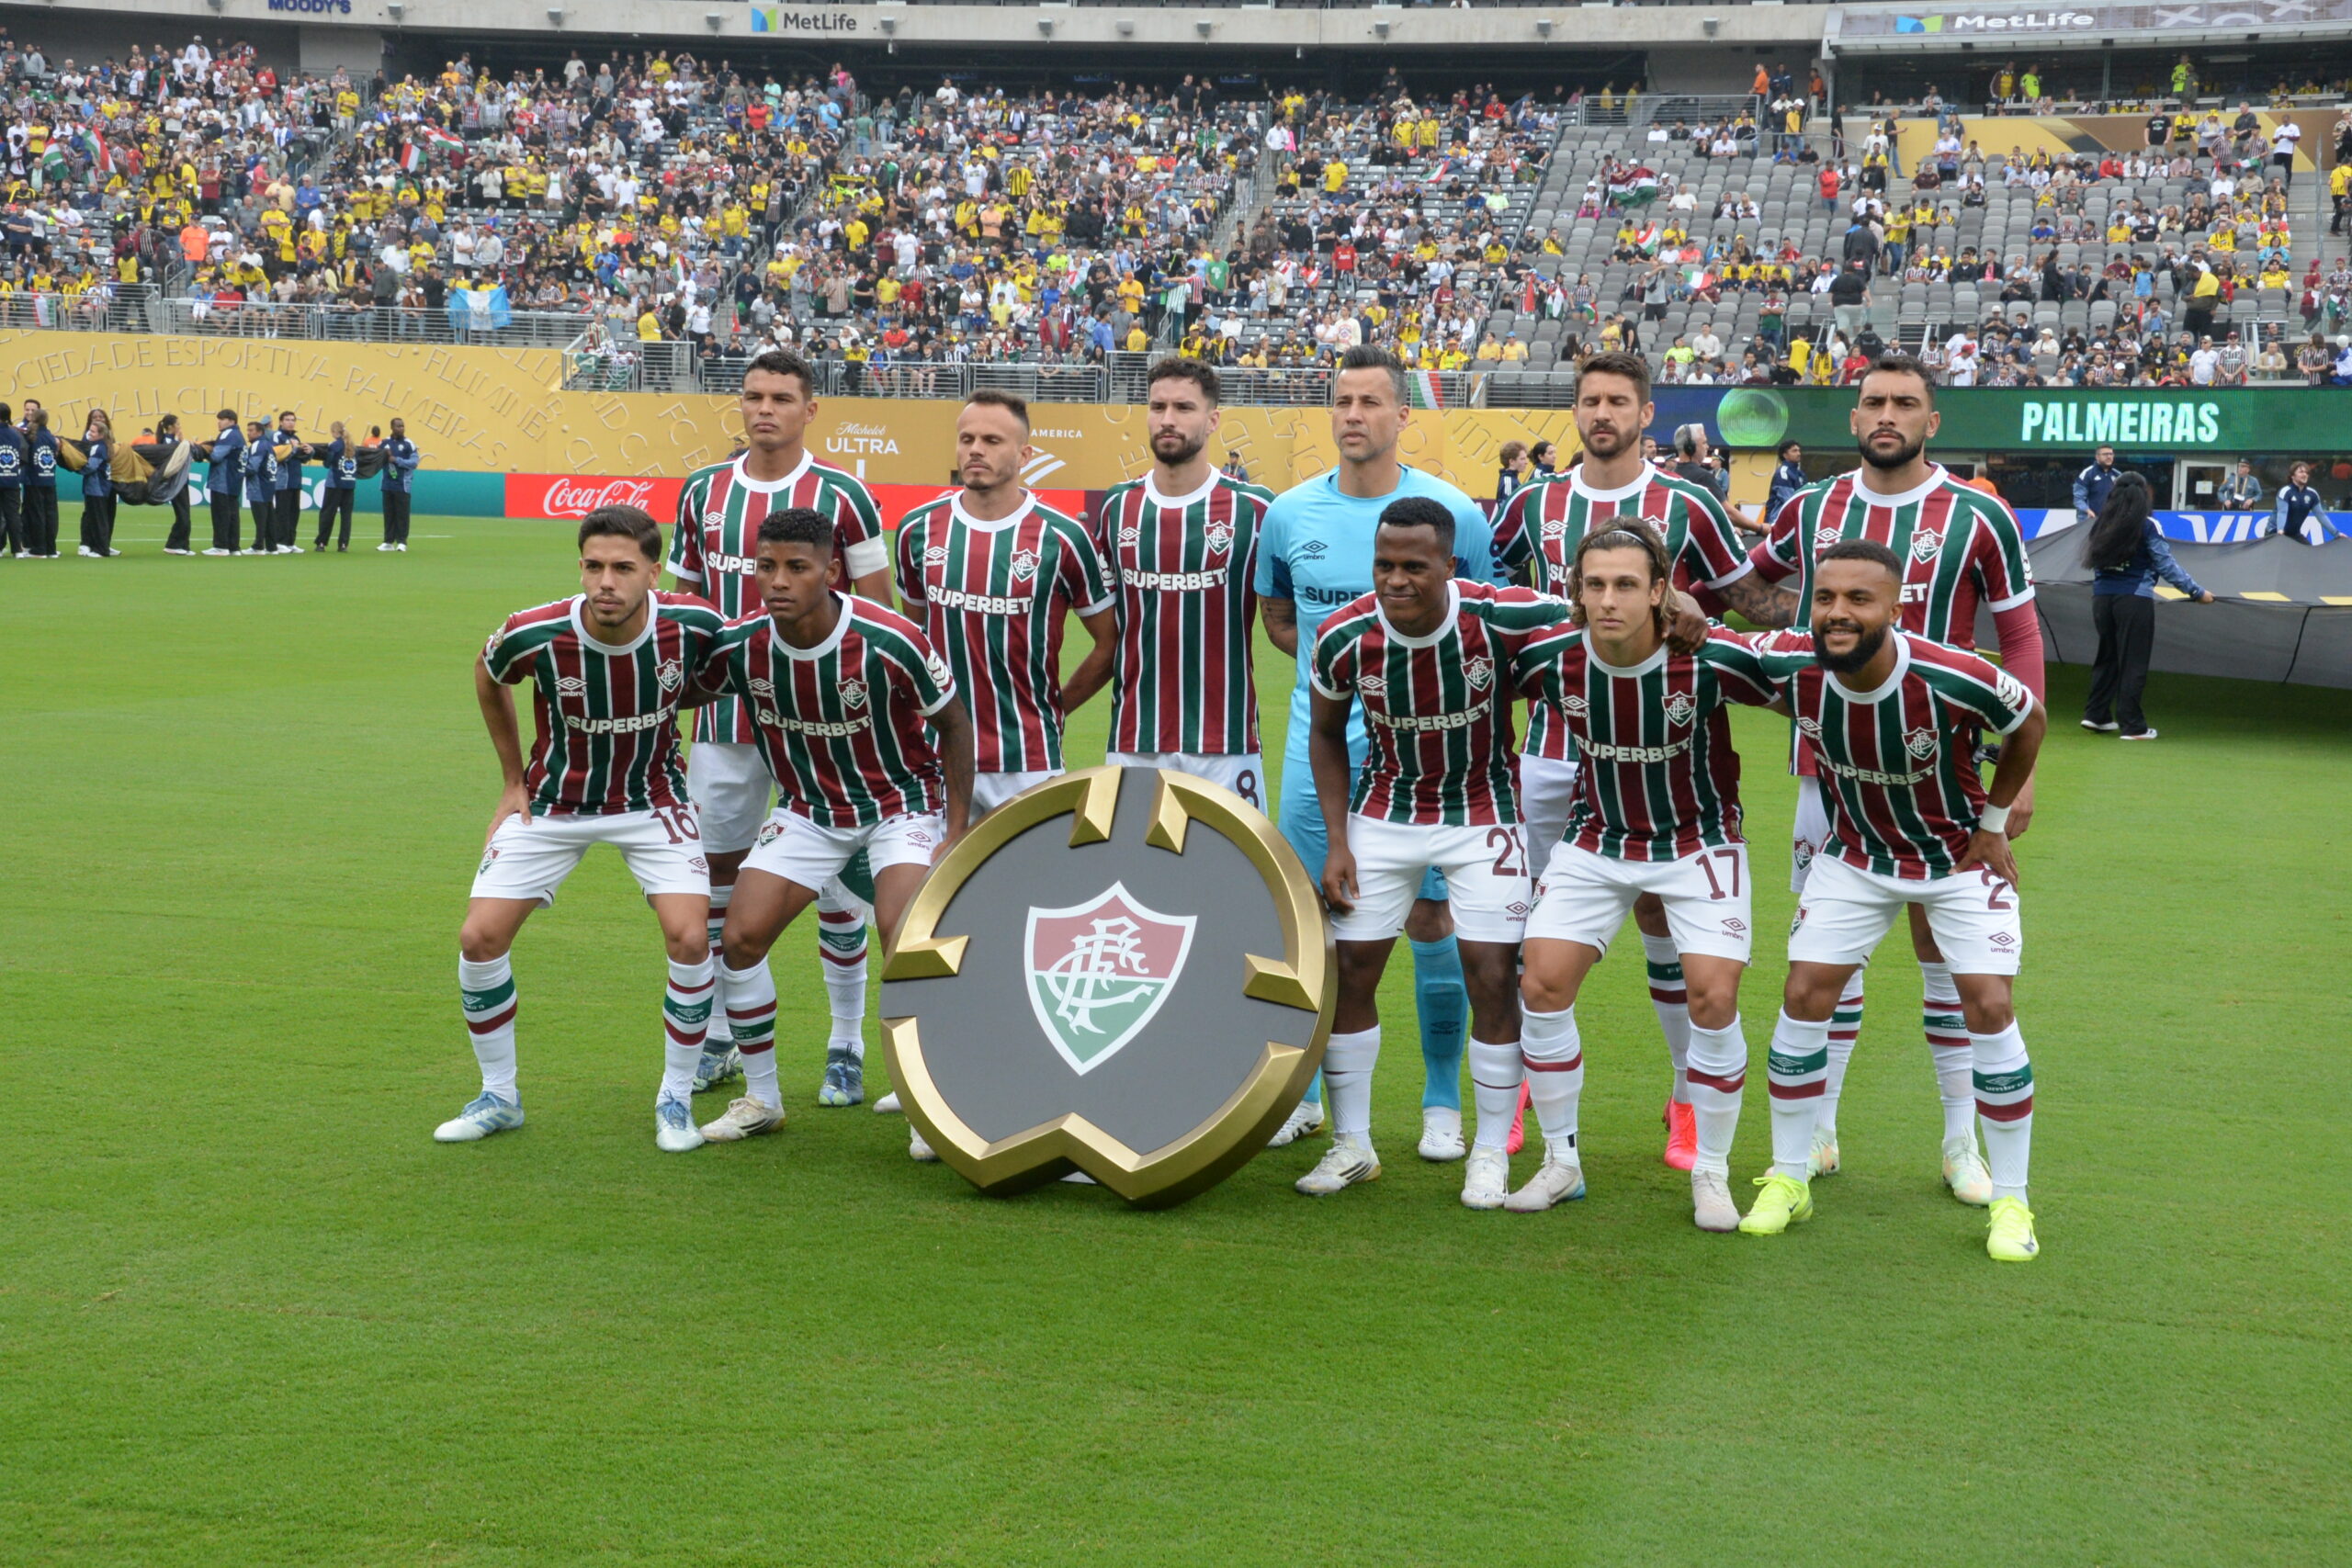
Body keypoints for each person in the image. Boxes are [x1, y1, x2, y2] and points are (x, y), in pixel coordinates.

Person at [1746, 354, 2044, 1201]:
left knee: (1945, 956)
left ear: (1931, 420)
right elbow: (1753, 588)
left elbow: (2019, 641)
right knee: (1828, 955)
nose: (1887, 414)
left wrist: (2018, 779)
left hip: (1941, 773)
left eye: (1905, 402)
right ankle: (1820, 1128)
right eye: (1873, 401)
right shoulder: (1809, 508)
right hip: (1828, 765)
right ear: (1852, 418)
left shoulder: (1976, 514)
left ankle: (1961, 1144)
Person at [1490, 352, 1792, 1169]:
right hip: (1554, 748)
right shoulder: (1531, 504)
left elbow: (1751, 603)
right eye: (1589, 399)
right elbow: (1480, 604)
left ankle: (1685, 1096)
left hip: (1665, 754)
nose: (1601, 413)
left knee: (1666, 919)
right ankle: (1520, 1088)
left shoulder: (1689, 500)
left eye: (1618, 401)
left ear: (1645, 414)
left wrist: (1835, 606)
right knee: (1531, 932)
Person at [1257, 345, 1495, 1160]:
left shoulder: (1454, 512)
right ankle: (1318, 1102)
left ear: (1403, 417)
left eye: (1370, 401)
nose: (1353, 414)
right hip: (1314, 748)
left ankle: (1438, 1100)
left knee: (1433, 917)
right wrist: (1344, 669)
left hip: (1427, 757)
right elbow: (1280, 615)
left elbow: (1481, 626)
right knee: (1317, 923)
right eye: (1342, 400)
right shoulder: (1288, 512)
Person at [1510, 524, 1783, 1229]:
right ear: (1575, 589)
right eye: (1594, 583)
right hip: (1596, 838)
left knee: (1714, 997)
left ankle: (1713, 1173)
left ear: (1660, 591)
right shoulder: (1549, 655)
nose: (1609, 599)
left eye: (1627, 584)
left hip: (1699, 841)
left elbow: (1813, 684)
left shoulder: (1710, 657)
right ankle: (1561, 1160)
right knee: (1540, 982)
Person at [1296, 497, 1566, 1201]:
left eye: (1414, 566)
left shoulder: (1502, 614)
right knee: (1348, 970)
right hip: (1385, 812)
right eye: (1384, 564)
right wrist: (1337, 841)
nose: (1395, 579)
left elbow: (1594, 621)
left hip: (1483, 810)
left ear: (1450, 564)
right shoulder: (1343, 634)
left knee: (1491, 974)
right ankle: (1353, 1144)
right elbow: (1325, 734)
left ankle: (1489, 1151)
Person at [439, 506, 729, 1153]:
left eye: (623, 568)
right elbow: (489, 675)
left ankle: (676, 1099)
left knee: (689, 937)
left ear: (654, 572)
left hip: (653, 801)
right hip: (552, 803)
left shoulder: (694, 623)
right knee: (478, 937)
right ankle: (498, 1096)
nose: (606, 581)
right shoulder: (535, 631)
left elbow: (732, 668)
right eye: (593, 565)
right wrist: (512, 779)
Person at [692, 507, 975, 1148]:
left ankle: (926, 1097)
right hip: (809, 810)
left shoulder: (889, 637)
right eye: (766, 566)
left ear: (832, 569)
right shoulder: (741, 644)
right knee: (739, 937)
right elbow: (679, 688)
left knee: (904, 933)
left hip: (899, 803)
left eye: (797, 566)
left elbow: (954, 723)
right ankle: (762, 1097)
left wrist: (954, 829)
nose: (778, 581)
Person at [668, 348, 889, 1107]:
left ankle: (845, 1040)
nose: (766, 409)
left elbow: (881, 606)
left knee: (835, 889)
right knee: (719, 885)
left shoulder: (845, 493)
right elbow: (682, 606)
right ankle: (726, 1037)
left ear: (810, 408)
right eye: (754, 396)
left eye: (782, 397)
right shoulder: (702, 491)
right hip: (726, 718)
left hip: (822, 721)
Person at [1092, 357, 1274, 807]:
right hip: (1135, 739)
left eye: (1183, 408)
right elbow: (1102, 629)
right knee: (1127, 878)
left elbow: (1286, 619)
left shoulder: (1255, 510)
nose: (1167, 419)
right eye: (1157, 407)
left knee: (1237, 877)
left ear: (1212, 420)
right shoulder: (1118, 508)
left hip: (1227, 744)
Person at [2082, 472, 2213, 741]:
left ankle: (2096, 715)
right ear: (2144, 494)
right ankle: (2133, 726)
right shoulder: (2148, 525)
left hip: (2101, 599)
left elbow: (2095, 564)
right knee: (2133, 662)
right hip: (2134, 600)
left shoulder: (2100, 524)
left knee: (2107, 658)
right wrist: (2197, 592)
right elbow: (2166, 565)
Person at [193, 409, 245, 557]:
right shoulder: (238, 435)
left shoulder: (228, 434)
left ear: (231, 421)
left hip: (223, 480)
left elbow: (216, 456)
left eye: (222, 419)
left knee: (220, 514)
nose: (219, 422)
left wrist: (204, 451)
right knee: (233, 514)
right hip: (234, 480)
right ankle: (233, 547)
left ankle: (220, 546)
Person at [76, 410, 117, 558]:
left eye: (93, 432)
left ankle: (101, 549)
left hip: (97, 488)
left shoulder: (98, 447)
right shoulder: (102, 445)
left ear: (100, 434)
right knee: (97, 518)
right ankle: (97, 546)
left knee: (99, 519)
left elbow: (91, 467)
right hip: (99, 487)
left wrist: (77, 468)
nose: (90, 434)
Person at [154, 414, 197, 556]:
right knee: (183, 513)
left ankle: (183, 545)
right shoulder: (167, 441)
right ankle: (174, 544)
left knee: (185, 513)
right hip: (175, 482)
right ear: (171, 427)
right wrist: (182, 442)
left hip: (181, 481)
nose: (180, 427)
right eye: (178, 424)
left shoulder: (174, 440)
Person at [22, 409, 61, 558]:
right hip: (49, 479)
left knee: (37, 514)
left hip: (34, 480)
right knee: (51, 514)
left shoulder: (31, 437)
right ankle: (51, 548)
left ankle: (39, 549)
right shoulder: (51, 437)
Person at [314, 422, 358, 551]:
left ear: (334, 432)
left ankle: (322, 542)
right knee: (346, 516)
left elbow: (328, 463)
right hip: (349, 483)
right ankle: (343, 544)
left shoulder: (335, 445)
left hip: (335, 483)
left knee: (328, 513)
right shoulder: (353, 446)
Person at [271, 411, 310, 556]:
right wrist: (293, 449)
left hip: (295, 480)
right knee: (282, 512)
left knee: (294, 512)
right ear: (281, 422)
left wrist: (309, 452)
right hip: (283, 480)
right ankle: (279, 541)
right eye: (287, 420)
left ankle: (290, 542)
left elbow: (300, 458)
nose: (290, 422)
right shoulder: (277, 436)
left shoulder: (295, 437)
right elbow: (277, 456)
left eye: (293, 420)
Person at [378, 417, 419, 550]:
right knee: (389, 514)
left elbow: (414, 463)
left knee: (402, 514)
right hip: (387, 484)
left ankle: (402, 541)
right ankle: (388, 541)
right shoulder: (384, 443)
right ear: (392, 427)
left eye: (402, 426)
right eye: (398, 426)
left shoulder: (408, 444)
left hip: (402, 485)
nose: (401, 428)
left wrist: (396, 460)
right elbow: (376, 458)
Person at [241, 419, 277, 556]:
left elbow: (253, 467)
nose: (248, 433)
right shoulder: (268, 445)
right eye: (248, 431)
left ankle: (258, 546)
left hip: (259, 485)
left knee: (260, 517)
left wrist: (239, 472)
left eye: (251, 431)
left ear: (260, 432)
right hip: (269, 483)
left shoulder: (257, 445)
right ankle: (272, 547)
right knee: (269, 517)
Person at [2273, 461, 2334, 541]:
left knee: (2310, 553)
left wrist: (2336, 533)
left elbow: (2321, 515)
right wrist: (2280, 530)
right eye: (2301, 472)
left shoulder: (2312, 494)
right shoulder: (2285, 491)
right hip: (2275, 533)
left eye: (2306, 472)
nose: (2305, 475)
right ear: (2292, 476)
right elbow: (2282, 512)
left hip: (2294, 534)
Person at [0, 401, 25, 558]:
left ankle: (1, 548)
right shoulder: (16, 435)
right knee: (13, 515)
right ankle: (18, 549)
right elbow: (22, 456)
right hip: (13, 480)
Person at [2072, 444, 2120, 525]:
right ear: (2097, 457)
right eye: (2105, 454)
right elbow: (2078, 499)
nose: (2109, 457)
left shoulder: (2117, 475)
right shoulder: (2087, 474)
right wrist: (2088, 511)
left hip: (2111, 523)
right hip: (2089, 521)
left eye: (2111, 454)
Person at [1765, 439, 1807, 528]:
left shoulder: (1800, 474)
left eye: (1799, 451)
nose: (1799, 453)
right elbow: (1789, 500)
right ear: (1785, 455)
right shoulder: (1783, 473)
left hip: (1793, 520)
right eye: (1794, 451)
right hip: (1779, 522)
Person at [1495, 440, 1532, 506]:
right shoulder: (1508, 482)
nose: (1526, 462)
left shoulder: (1513, 480)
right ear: (1511, 461)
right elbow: (1508, 509)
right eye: (1522, 459)